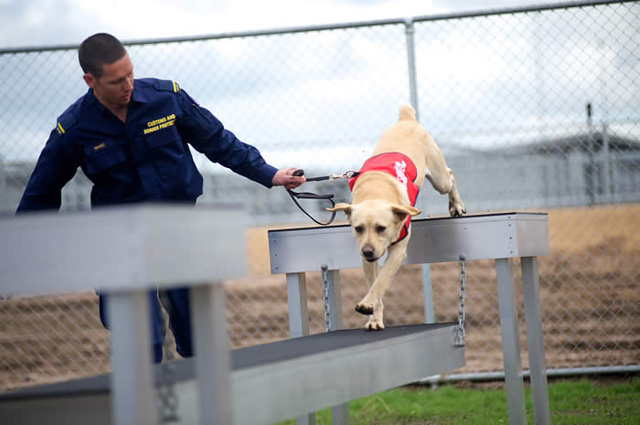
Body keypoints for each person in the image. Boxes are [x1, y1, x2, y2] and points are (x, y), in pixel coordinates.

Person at [16, 33, 306, 363]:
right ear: (90, 80)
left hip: (178, 231)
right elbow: (42, 190)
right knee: (143, 343)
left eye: (130, 74)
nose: (127, 85)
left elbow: (219, 142)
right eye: (116, 81)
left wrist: (270, 173)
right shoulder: (74, 128)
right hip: (117, 241)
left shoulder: (166, 98)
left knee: (198, 336)